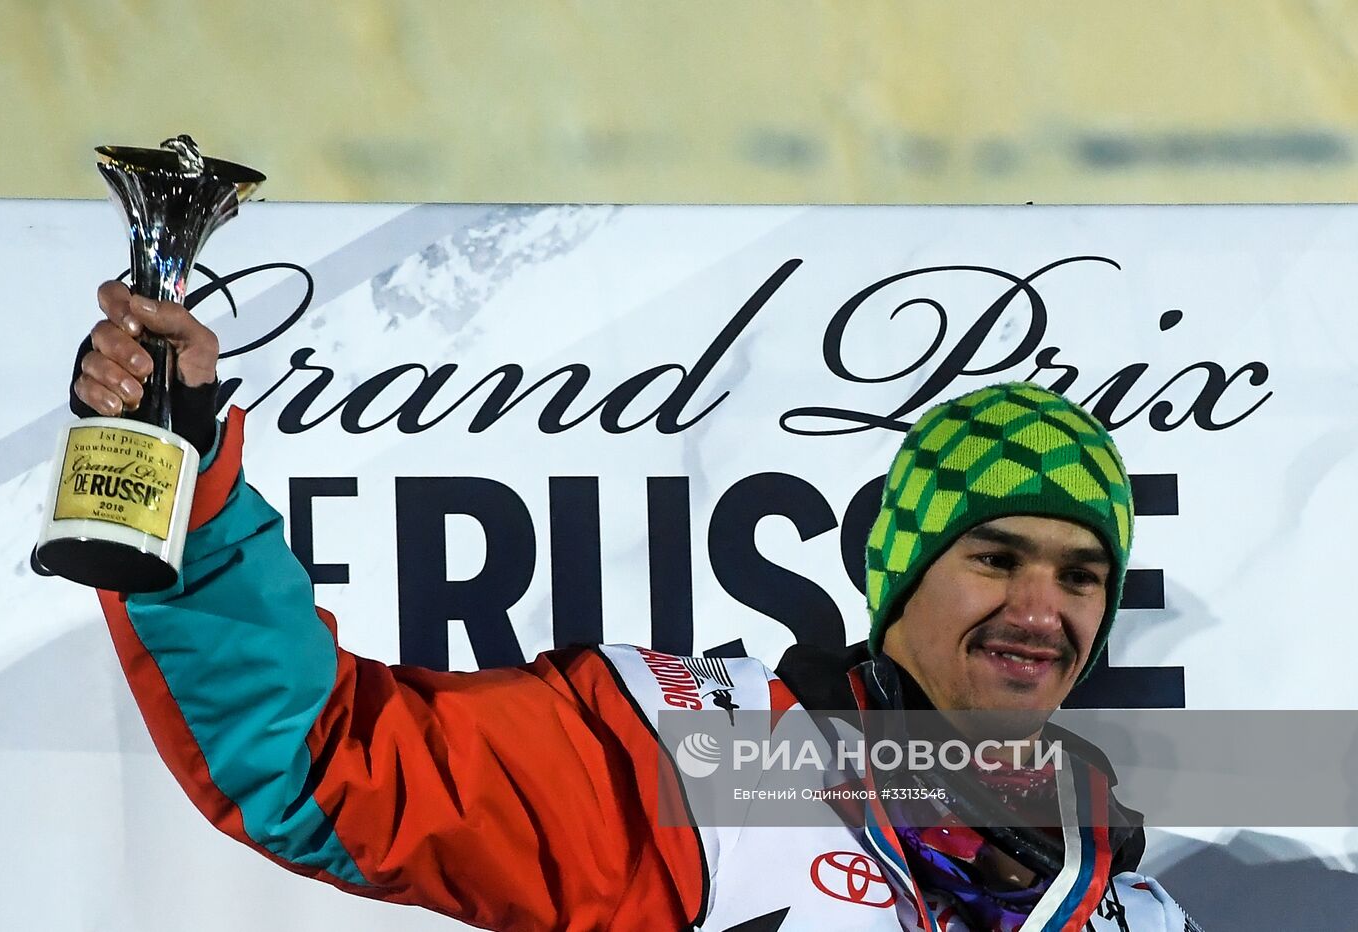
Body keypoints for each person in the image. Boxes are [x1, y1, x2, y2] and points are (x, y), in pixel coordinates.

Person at [71, 281, 1203, 931]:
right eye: (995, 555)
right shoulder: (693, 758)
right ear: (899, 573)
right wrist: (189, 486)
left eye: (1078, 572)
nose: (1036, 607)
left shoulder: (1130, 905)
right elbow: (337, 762)